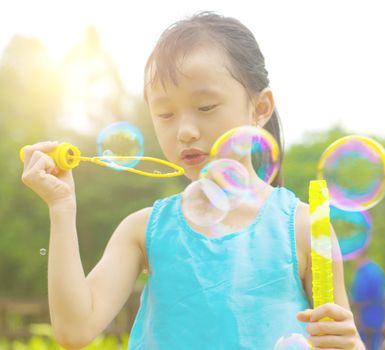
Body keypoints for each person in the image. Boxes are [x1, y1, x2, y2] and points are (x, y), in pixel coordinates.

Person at [21, 12, 364, 349]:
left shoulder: (304, 227)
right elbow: (74, 329)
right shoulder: (143, 231)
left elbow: (334, 338)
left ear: (260, 108)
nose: (185, 131)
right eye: (166, 114)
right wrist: (61, 208)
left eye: (206, 107)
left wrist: (350, 346)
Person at [350, 252, 385, 350]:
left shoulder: (363, 273)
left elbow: (358, 296)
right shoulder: (376, 269)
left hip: (366, 317)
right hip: (378, 316)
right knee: (376, 344)